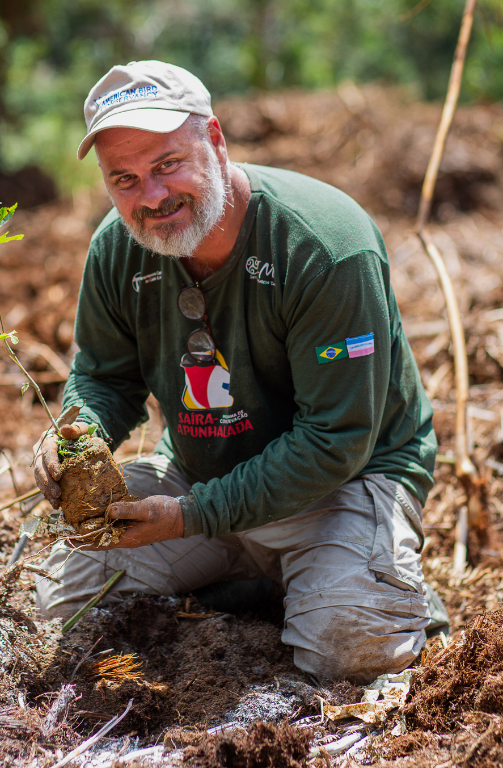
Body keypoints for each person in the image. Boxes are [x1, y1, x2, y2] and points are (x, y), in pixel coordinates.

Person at [31, 61, 444, 683]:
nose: (152, 195)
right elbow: (105, 377)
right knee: (72, 608)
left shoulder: (324, 246)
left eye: (168, 163)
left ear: (216, 141)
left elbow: (336, 442)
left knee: (348, 652)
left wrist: (190, 516)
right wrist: (77, 430)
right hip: (202, 471)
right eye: (125, 178)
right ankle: (262, 577)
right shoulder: (117, 249)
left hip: (345, 483)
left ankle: (345, 578)